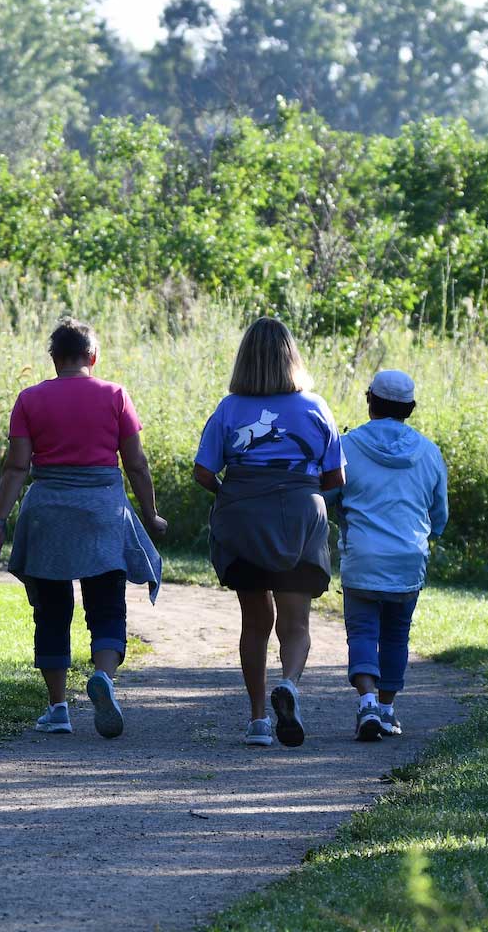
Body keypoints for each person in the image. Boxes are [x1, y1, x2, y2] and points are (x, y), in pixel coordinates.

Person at [0, 318, 167, 739]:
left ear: (53, 359)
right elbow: (135, 464)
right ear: (93, 356)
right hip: (102, 509)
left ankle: (58, 708)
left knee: (51, 609)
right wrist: (151, 513)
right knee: (106, 603)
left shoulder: (30, 399)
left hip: (48, 511)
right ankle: (103, 675)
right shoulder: (115, 395)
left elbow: (16, 467)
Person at [193, 318, 343, 748]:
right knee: (295, 624)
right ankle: (290, 686)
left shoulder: (229, 408)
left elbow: (204, 472)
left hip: (243, 517)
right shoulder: (315, 407)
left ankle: (258, 719)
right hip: (299, 516)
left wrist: (231, 494)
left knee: (255, 622)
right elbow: (336, 478)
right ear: (291, 355)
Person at [338, 369, 448, 741]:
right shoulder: (429, 452)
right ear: (411, 408)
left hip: (363, 557)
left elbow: (331, 497)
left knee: (364, 630)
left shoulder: (347, 447)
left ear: (370, 402)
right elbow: (439, 515)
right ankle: (386, 709)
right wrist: (425, 535)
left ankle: (367, 702)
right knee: (397, 634)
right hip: (407, 559)